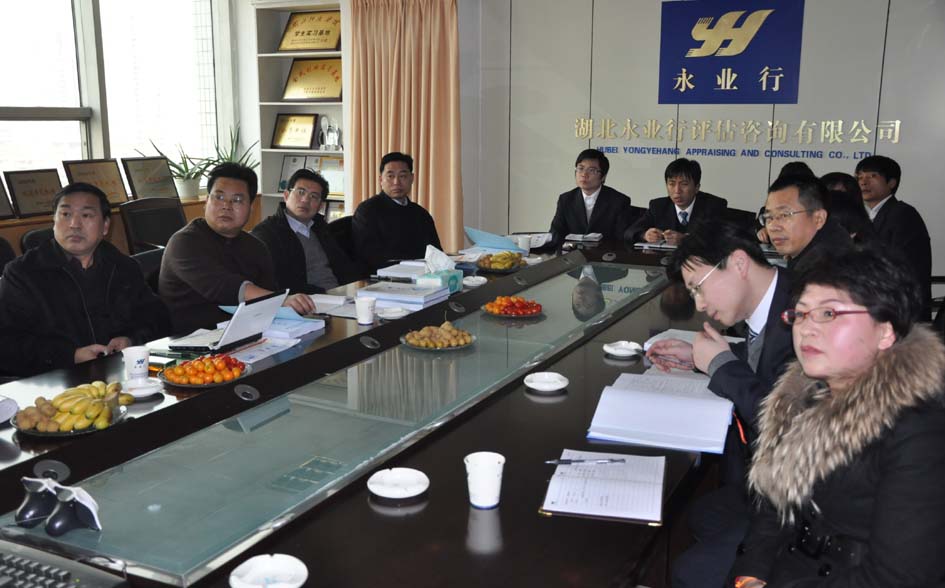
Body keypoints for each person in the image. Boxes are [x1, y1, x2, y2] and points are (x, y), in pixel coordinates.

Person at [730, 246, 945, 587]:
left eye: (829, 314)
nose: (806, 329)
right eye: (801, 314)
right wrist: (750, 576)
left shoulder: (920, 433)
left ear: (885, 331)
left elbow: (897, 578)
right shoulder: (803, 396)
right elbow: (773, 512)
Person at [646, 221, 794, 588]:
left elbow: (790, 425)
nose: (699, 304)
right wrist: (701, 357)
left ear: (739, 263)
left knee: (690, 572)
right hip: (770, 483)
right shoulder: (773, 301)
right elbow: (771, 367)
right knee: (703, 513)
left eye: (699, 287)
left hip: (801, 503)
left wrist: (721, 365)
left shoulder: (802, 314)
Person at [0, 183, 171, 377]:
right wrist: (70, 356)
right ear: (54, 221)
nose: (74, 224)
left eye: (86, 215)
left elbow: (158, 318)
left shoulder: (123, 266)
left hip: (122, 374)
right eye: (65, 214)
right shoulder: (22, 274)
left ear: (105, 226)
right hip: (56, 382)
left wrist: (131, 339)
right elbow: (6, 344)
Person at [160, 163, 315, 335]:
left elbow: (267, 294)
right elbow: (224, 287)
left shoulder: (256, 246)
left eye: (237, 200)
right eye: (219, 197)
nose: (226, 205)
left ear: (251, 208)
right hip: (193, 340)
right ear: (206, 201)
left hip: (248, 333)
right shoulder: (184, 243)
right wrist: (280, 300)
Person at [252, 168, 363, 294]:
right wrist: (326, 294)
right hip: (309, 299)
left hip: (340, 295)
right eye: (301, 192)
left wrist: (359, 290)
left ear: (320, 206)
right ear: (286, 195)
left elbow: (344, 267)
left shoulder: (321, 228)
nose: (305, 200)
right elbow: (281, 283)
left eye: (313, 196)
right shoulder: (267, 234)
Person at [855, 155, 932, 319]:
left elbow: (904, 267)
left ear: (891, 182)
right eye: (859, 177)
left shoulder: (903, 214)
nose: (863, 182)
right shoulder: (862, 216)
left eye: (872, 176)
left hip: (901, 310)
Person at [352, 152, 442, 273]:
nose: (396, 182)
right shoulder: (367, 211)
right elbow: (369, 256)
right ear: (381, 180)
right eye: (390, 176)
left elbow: (436, 253)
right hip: (385, 277)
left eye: (402, 176)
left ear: (412, 178)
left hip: (424, 276)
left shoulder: (421, 214)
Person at [761, 175, 852, 277]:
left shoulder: (824, 268)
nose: (773, 227)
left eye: (784, 215)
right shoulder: (821, 245)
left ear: (818, 219)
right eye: (769, 217)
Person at [625, 158, 727, 245]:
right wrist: (644, 235)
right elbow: (629, 232)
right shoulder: (658, 206)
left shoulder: (713, 206)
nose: (677, 190)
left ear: (697, 187)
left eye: (684, 184)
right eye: (672, 184)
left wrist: (686, 239)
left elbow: (722, 239)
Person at [549, 149, 633, 245]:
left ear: (603, 176)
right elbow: (555, 232)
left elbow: (621, 238)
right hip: (572, 253)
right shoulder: (566, 199)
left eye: (592, 170)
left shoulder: (619, 201)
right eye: (580, 168)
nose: (584, 174)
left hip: (604, 253)